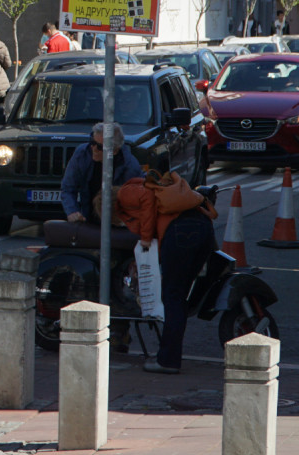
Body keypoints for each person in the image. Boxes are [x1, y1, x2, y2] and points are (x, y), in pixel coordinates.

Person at [115, 169, 218, 373]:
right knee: (180, 296)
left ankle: (168, 360)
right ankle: (168, 354)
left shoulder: (123, 193)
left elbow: (146, 199)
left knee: (173, 296)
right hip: (202, 226)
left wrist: (144, 238)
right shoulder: (151, 186)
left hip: (181, 231)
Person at [60, 122, 142, 224]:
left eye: (99, 147)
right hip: (88, 218)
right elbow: (68, 187)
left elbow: (137, 201)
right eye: (92, 142)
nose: (93, 148)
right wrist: (72, 212)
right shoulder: (82, 154)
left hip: (117, 222)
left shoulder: (130, 166)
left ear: (114, 151)